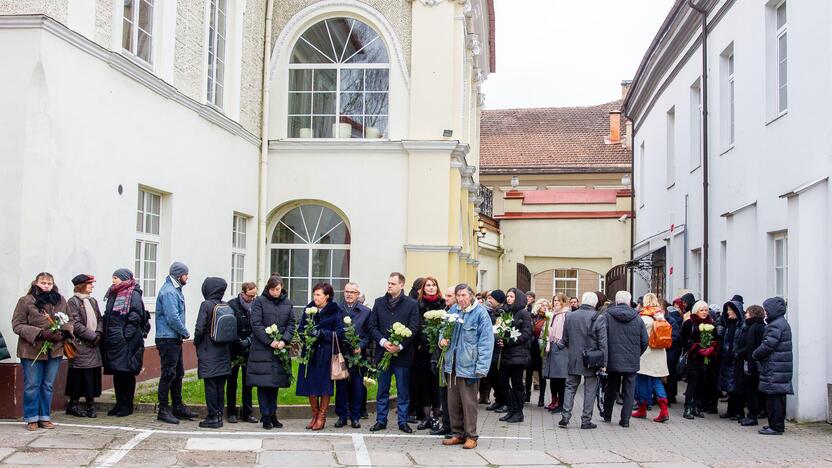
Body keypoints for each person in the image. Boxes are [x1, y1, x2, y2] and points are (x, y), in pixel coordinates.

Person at [12, 272, 72, 431]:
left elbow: (69, 320)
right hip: (31, 350)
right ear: (36, 283)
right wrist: (39, 333)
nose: (46, 285)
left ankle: (44, 417)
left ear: (53, 284)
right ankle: (32, 417)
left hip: (55, 350)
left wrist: (64, 332)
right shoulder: (26, 301)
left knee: (47, 385)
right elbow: (17, 325)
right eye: (43, 282)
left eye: (49, 283)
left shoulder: (60, 300)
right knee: (32, 385)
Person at [439, 284, 494, 450]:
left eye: (463, 295)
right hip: (452, 364)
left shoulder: (480, 313)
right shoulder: (453, 310)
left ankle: (471, 436)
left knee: (469, 404)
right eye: (458, 295)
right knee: (453, 402)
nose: (460, 298)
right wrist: (441, 340)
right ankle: (457, 434)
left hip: (469, 366)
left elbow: (486, 343)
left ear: (471, 296)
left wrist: (481, 368)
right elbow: (443, 329)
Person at [368, 272, 420, 433]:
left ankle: (402, 421)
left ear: (401, 285)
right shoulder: (379, 302)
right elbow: (372, 326)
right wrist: (383, 342)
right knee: (382, 389)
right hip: (383, 354)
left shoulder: (411, 304)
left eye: (393, 283)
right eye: (388, 283)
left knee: (403, 391)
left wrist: (400, 346)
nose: (389, 285)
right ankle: (381, 420)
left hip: (402, 356)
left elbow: (413, 328)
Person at [248, 275, 295, 429]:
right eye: (273, 289)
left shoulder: (287, 303)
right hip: (262, 350)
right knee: (264, 384)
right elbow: (256, 324)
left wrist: (284, 340)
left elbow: (291, 324)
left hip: (279, 350)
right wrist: (270, 341)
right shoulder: (259, 302)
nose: (276, 292)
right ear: (268, 288)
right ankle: (265, 415)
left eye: (278, 289)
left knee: (275, 383)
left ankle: (273, 414)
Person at [296, 283, 345, 431]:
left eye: (318, 295)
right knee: (310, 384)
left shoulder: (335, 310)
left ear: (327, 296)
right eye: (314, 294)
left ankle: (322, 417)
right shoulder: (309, 309)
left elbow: (340, 333)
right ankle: (314, 414)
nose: (315, 297)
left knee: (324, 385)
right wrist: (307, 338)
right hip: (310, 352)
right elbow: (301, 329)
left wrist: (322, 333)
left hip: (326, 353)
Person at [102, 269, 149, 418]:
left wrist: (125, 335)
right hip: (114, 340)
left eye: (116, 277)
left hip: (127, 340)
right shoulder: (113, 293)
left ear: (124, 279)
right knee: (117, 372)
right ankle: (119, 403)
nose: (113, 280)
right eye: (113, 277)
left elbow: (135, 315)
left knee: (127, 372)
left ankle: (127, 405)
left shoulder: (133, 293)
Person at [154, 262, 198, 424]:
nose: (187, 277)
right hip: (168, 338)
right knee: (168, 373)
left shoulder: (175, 289)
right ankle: (163, 409)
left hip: (173, 338)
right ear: (179, 275)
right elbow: (172, 317)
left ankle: (177, 405)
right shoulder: (169, 292)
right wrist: (185, 332)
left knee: (178, 373)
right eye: (186, 274)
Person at [557, 291, 607, 430]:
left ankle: (565, 417)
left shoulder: (570, 316)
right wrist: (604, 363)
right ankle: (586, 420)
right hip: (592, 359)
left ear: (582, 301)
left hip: (573, 357)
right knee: (590, 390)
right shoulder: (599, 317)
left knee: (570, 387)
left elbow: (565, 339)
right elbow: (603, 343)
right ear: (595, 303)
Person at [602, 291, 647, 428]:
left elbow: (602, 337)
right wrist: (636, 353)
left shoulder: (607, 315)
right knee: (629, 390)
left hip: (612, 359)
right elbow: (645, 341)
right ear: (629, 301)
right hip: (631, 359)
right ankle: (625, 420)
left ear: (616, 301)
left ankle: (607, 414)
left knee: (611, 387)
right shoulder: (637, 318)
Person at [193, 277, 231, 429]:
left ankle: (212, 416)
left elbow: (199, 328)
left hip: (208, 350)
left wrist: (196, 342)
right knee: (220, 385)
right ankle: (219, 415)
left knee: (210, 384)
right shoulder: (225, 305)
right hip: (223, 351)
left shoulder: (206, 305)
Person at [752, 297, 792, 435]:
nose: (766, 312)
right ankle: (776, 425)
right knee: (777, 399)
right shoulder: (782, 323)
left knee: (773, 399)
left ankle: (776, 426)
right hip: (779, 367)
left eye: (767, 309)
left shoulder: (775, 325)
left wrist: (755, 354)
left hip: (774, 367)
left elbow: (768, 345)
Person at [65, 274, 103, 418]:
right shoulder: (73, 302)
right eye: (89, 283)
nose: (92, 286)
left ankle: (90, 404)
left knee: (92, 375)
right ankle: (73, 404)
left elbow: (99, 318)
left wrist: (98, 333)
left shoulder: (92, 301)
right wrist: (92, 336)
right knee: (79, 375)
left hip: (93, 345)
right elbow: (75, 323)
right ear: (81, 285)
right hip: (81, 345)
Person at [335, 282, 371, 429]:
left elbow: (369, 334)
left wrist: (361, 346)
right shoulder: (337, 309)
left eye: (352, 292)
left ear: (358, 294)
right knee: (341, 386)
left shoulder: (365, 311)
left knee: (357, 386)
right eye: (347, 291)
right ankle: (342, 416)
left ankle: (355, 417)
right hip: (341, 353)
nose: (349, 294)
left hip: (357, 355)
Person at [632, 293, 669, 423]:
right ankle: (664, 409)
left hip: (646, 353)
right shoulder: (661, 317)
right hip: (659, 353)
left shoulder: (643, 318)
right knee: (656, 380)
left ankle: (642, 408)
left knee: (641, 379)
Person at [496, 288, 532, 423]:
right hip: (505, 354)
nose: (509, 299)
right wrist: (500, 339)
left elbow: (526, 334)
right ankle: (511, 409)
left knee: (517, 384)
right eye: (508, 296)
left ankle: (518, 412)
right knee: (504, 383)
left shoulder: (524, 313)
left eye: (511, 296)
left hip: (518, 355)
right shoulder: (506, 312)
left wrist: (509, 341)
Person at [414, 277, 444, 430]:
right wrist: (420, 344)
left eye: (434, 285)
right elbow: (415, 325)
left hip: (438, 352)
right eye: (428, 285)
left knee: (436, 385)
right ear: (423, 288)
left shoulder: (443, 305)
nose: (431, 288)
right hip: (422, 352)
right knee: (423, 385)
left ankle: (436, 418)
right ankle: (425, 418)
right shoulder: (418, 306)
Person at [681, 299, 718, 419]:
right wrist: (696, 347)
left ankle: (697, 406)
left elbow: (716, 339)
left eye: (706, 310)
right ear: (696, 311)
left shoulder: (711, 324)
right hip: (693, 358)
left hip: (706, 359)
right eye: (701, 310)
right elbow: (683, 341)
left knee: (702, 383)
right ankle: (688, 407)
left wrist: (712, 347)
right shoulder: (689, 323)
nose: (704, 312)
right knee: (692, 383)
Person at [226, 282, 258, 423]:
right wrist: (238, 340)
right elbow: (229, 325)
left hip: (249, 348)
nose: (252, 298)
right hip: (234, 347)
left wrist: (249, 340)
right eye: (250, 295)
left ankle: (247, 412)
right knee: (232, 381)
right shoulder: (232, 304)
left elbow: (257, 324)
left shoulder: (256, 305)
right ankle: (231, 412)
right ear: (243, 293)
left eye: (254, 295)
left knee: (248, 382)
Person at [430, 286, 457, 436]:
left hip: (452, 361)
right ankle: (446, 424)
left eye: (449, 295)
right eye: (445, 295)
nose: (446, 298)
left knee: (452, 396)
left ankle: (454, 426)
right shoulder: (445, 312)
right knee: (444, 395)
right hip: (442, 359)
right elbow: (440, 336)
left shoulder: (459, 314)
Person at [736, 305, 766, 426]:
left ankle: (752, 416)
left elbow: (751, 346)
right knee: (751, 391)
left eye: (747, 313)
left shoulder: (754, 327)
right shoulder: (757, 326)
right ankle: (752, 415)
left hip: (752, 363)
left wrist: (740, 353)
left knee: (751, 391)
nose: (745, 315)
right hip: (752, 362)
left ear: (752, 314)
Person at [718, 295, 745, 420]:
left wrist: (737, 353)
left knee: (737, 387)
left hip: (737, 360)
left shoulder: (742, 326)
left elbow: (744, 343)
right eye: (727, 309)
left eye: (730, 309)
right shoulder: (729, 325)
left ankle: (739, 412)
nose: (728, 312)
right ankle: (731, 410)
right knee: (729, 386)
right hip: (728, 359)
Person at [543, 293, 569, 413]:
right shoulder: (552, 315)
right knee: (553, 378)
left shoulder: (566, 314)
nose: (556, 303)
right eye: (554, 301)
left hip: (560, 349)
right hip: (552, 347)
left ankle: (561, 404)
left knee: (561, 379)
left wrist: (560, 344)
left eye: (558, 301)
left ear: (564, 302)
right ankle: (554, 400)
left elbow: (567, 332)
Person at [484, 289, 507, 411]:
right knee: (492, 377)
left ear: (497, 300)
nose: (489, 300)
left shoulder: (503, 312)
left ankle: (505, 401)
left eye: (491, 298)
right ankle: (498, 400)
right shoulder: (493, 312)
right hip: (492, 348)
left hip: (499, 351)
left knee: (500, 378)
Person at [526, 298, 549, 406]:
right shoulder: (532, 317)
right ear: (538, 305)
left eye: (546, 305)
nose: (544, 307)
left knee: (541, 374)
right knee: (528, 372)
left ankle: (541, 398)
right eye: (542, 305)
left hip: (542, 348)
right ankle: (527, 395)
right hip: (531, 346)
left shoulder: (548, 318)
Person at [664, 297, 684, 403]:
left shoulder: (671, 321)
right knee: (669, 375)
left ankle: (670, 396)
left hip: (671, 352)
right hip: (670, 351)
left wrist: (664, 342)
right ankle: (668, 396)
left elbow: (675, 336)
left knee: (670, 375)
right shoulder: (672, 319)